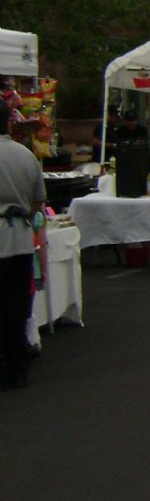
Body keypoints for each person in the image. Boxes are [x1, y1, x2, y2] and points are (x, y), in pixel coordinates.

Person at [0, 104, 45, 389]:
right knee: (16, 305)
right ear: (8, 122)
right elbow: (38, 201)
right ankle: (17, 367)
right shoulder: (25, 155)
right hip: (19, 240)